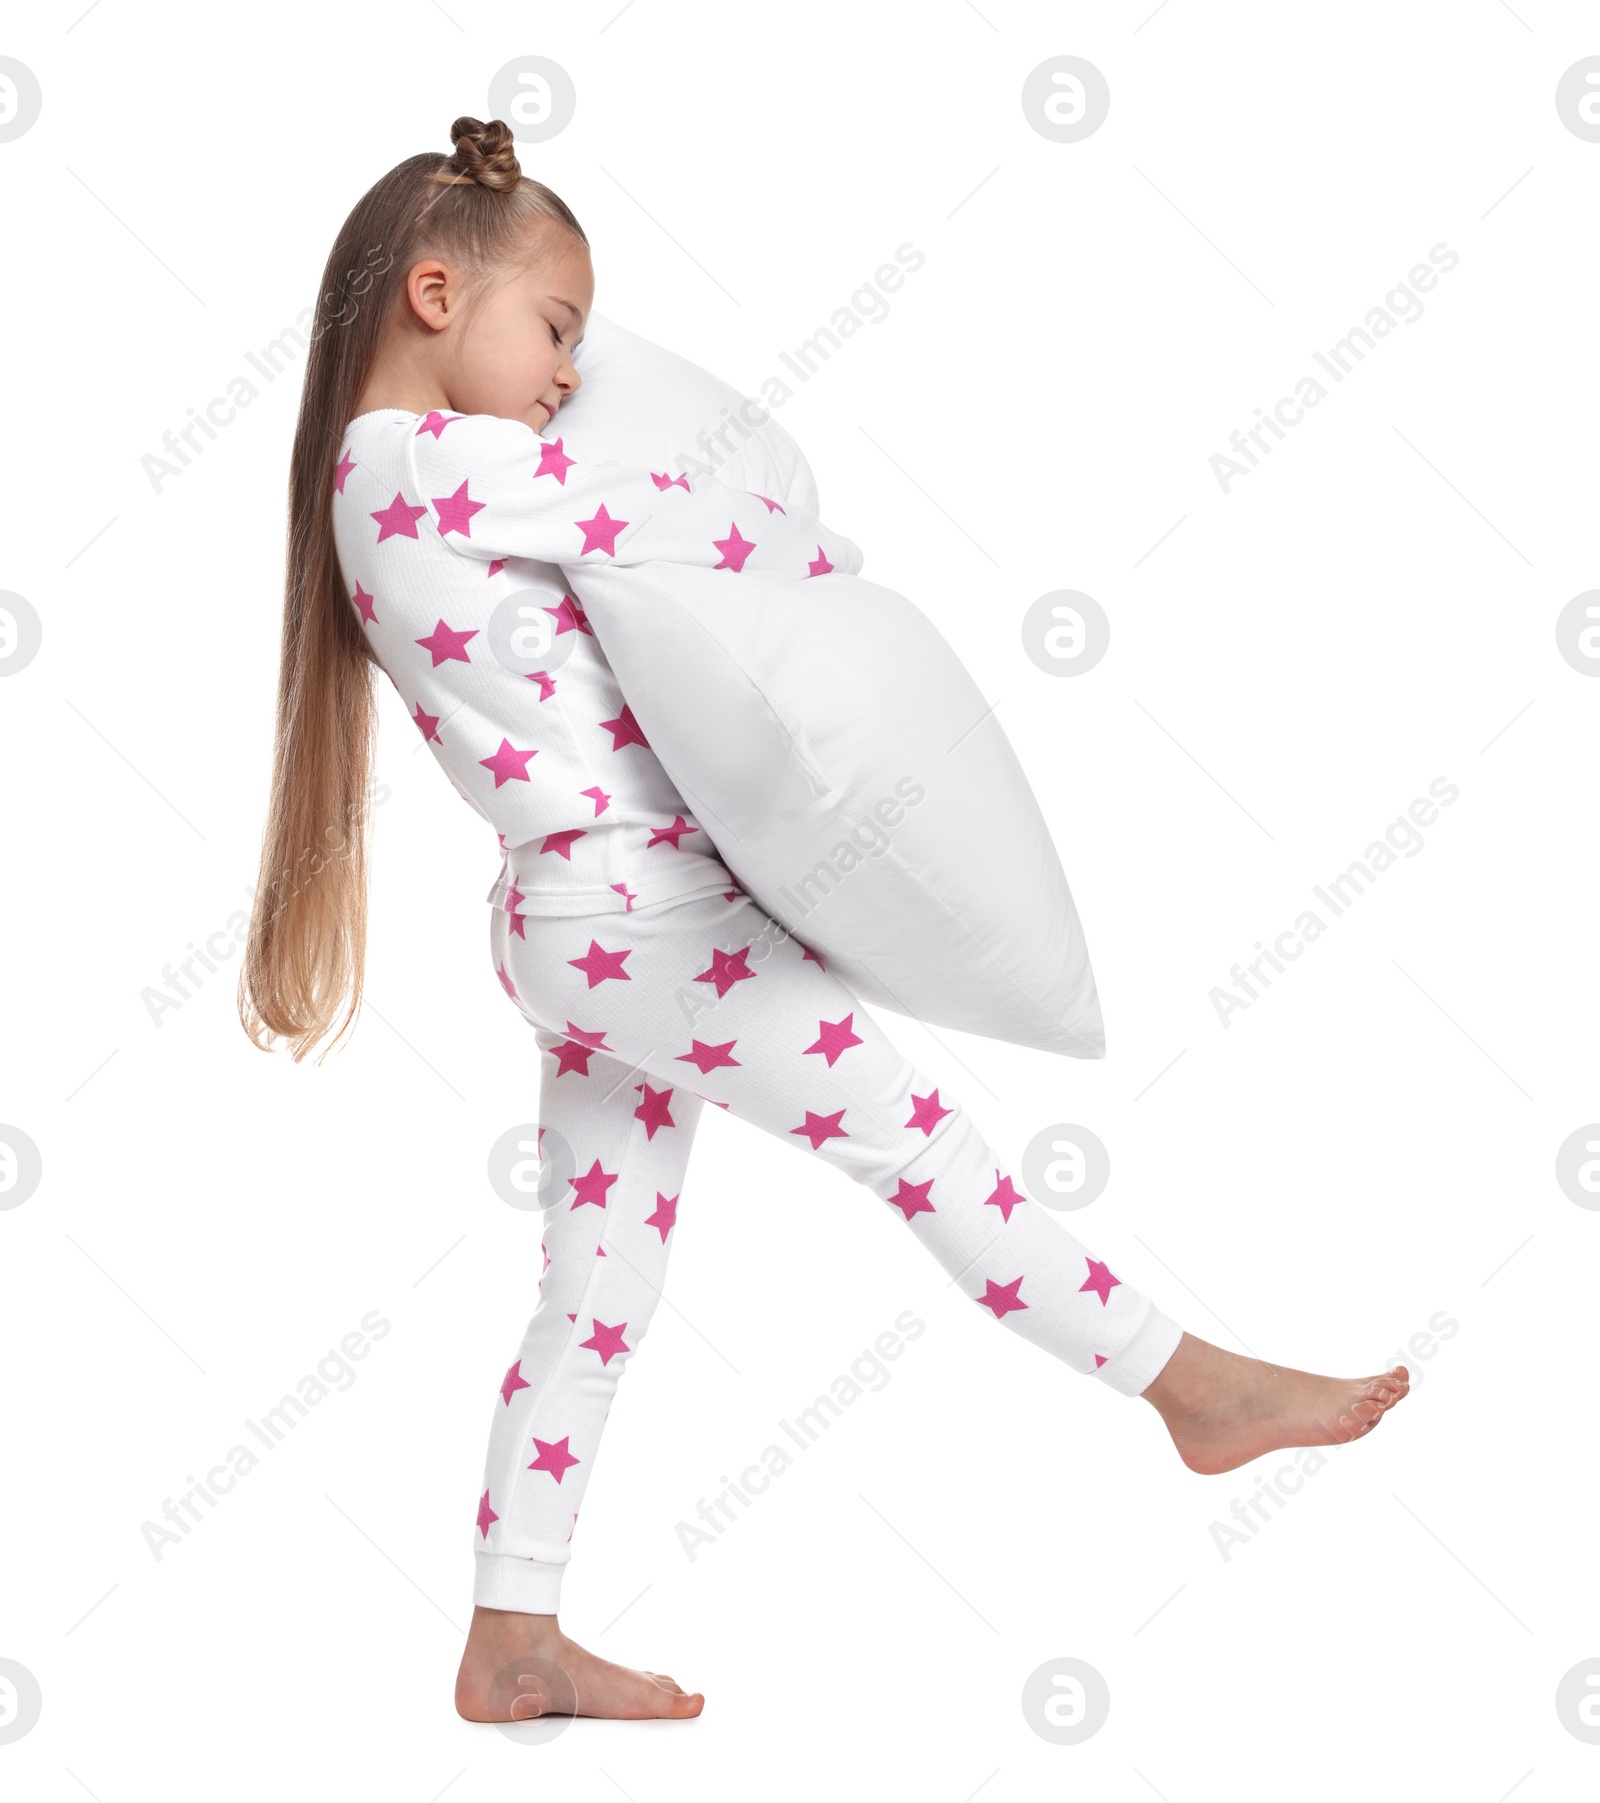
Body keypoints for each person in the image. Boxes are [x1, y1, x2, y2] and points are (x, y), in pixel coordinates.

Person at [238, 114, 1410, 1724]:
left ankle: (512, 1630)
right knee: (919, 1140)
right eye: (557, 328)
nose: (573, 369)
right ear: (436, 296)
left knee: (595, 1284)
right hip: (641, 916)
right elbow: (684, 517)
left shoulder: (373, 482)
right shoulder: (433, 460)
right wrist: (824, 563)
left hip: (568, 932)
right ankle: (1187, 1384)